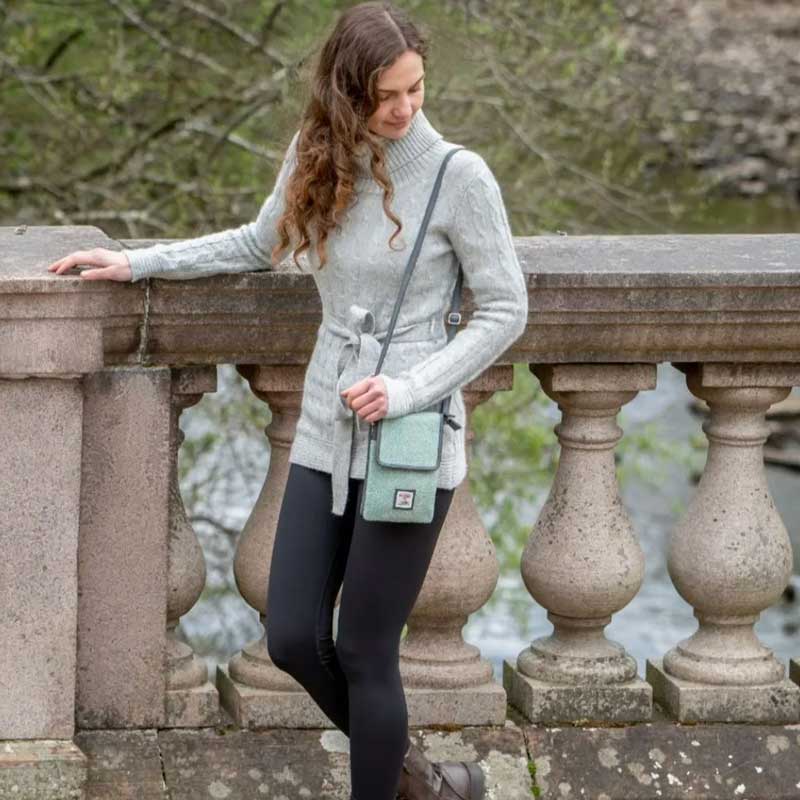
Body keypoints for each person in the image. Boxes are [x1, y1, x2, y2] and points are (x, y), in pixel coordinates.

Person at [47, 3, 528, 798]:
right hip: (326, 428)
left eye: (415, 89)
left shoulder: (459, 177)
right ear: (345, 93)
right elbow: (255, 241)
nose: (405, 109)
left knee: (366, 650)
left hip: (410, 438)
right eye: (385, 95)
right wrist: (137, 262)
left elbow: (507, 309)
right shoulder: (316, 151)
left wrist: (408, 386)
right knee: (292, 639)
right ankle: (430, 786)